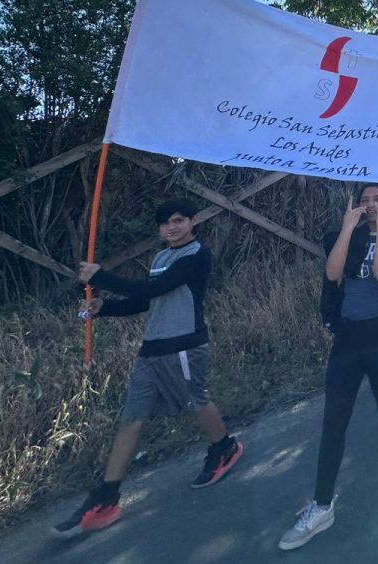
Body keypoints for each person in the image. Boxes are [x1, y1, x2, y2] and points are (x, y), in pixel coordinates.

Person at [56, 199, 243, 535]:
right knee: (132, 418)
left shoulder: (198, 255)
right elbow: (146, 300)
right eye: (165, 223)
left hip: (184, 345)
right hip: (152, 348)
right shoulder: (160, 258)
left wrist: (101, 276)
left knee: (195, 401)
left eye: (178, 220)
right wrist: (104, 308)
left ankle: (224, 448)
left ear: (193, 221)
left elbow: (156, 288)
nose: (172, 228)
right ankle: (107, 496)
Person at [279, 184, 378, 551]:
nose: (371, 205)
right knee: (334, 417)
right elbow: (333, 273)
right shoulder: (353, 234)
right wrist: (349, 227)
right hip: (349, 335)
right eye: (365, 201)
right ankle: (322, 505)